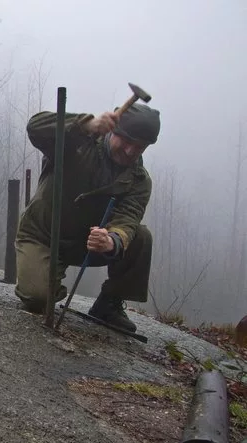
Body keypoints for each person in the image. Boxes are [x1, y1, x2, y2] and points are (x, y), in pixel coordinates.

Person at [14, 103, 161, 332]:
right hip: (43, 235)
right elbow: (36, 127)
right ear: (114, 131)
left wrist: (112, 240)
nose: (131, 151)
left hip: (89, 245)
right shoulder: (77, 144)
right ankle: (49, 286)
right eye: (127, 141)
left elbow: (128, 219)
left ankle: (109, 304)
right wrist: (86, 124)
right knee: (37, 299)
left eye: (140, 147)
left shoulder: (139, 181)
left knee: (140, 238)